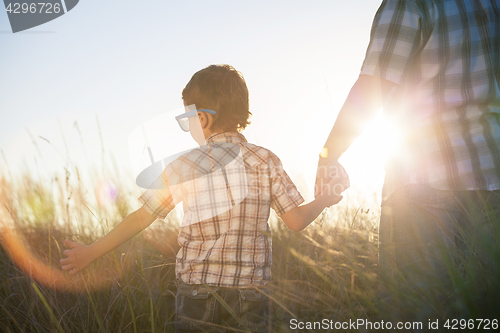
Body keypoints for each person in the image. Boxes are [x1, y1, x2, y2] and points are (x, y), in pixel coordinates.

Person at [60, 64, 342, 332]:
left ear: (203, 118)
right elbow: (295, 221)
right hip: (250, 295)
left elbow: (142, 217)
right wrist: (324, 199)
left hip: (196, 293)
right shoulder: (265, 160)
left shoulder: (184, 166)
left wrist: (90, 253)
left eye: (188, 119)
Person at [315, 0, 500, 321]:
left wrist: (329, 154)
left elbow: (374, 86)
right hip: (493, 175)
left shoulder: (411, 4)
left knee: (416, 311)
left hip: (424, 182)